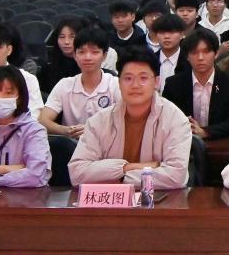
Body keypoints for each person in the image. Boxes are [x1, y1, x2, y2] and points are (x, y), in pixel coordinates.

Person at [68, 48, 192, 189]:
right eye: (128, 78)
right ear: (119, 83)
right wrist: (125, 168)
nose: (135, 85)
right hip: (111, 200)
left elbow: (176, 176)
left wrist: (119, 178)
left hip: (159, 199)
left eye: (143, 78)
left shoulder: (175, 120)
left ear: (157, 82)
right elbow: (77, 174)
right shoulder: (99, 121)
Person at [162, 27, 229, 141]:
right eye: (194, 52)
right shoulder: (173, 84)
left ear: (216, 53)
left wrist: (205, 132)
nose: (200, 58)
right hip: (184, 142)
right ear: (187, 56)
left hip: (219, 143)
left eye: (206, 52)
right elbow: (166, 119)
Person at [40, 27, 121, 138]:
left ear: (104, 56)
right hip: (71, 143)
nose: (87, 57)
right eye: (82, 52)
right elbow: (43, 120)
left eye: (94, 52)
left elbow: (128, 120)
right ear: (75, 55)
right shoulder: (64, 85)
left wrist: (94, 130)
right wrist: (65, 130)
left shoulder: (116, 84)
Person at [149, 13, 189, 90]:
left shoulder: (189, 61)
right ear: (156, 35)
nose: (166, 37)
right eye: (162, 32)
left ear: (182, 34)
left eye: (172, 32)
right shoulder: (149, 61)